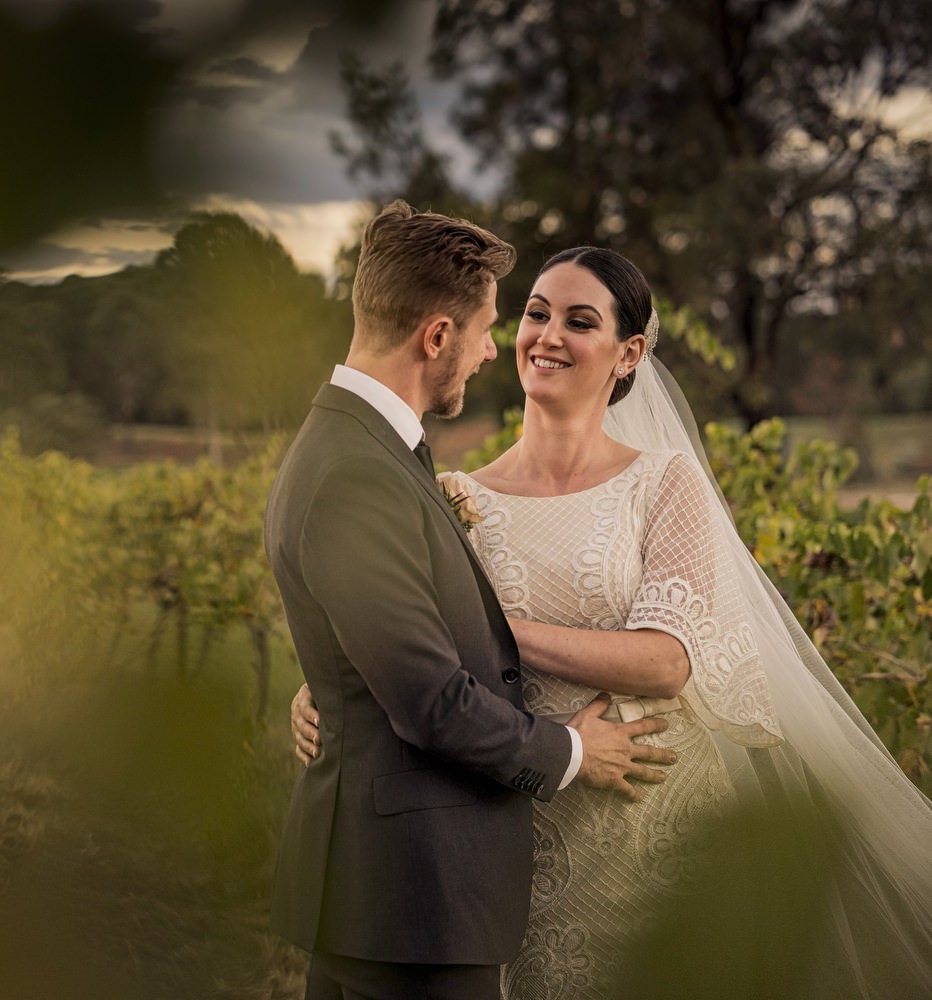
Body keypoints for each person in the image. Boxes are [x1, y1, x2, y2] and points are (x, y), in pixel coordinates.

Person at [291, 245, 932, 998]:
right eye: (534, 313)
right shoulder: (458, 495)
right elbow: (398, 638)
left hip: (648, 817)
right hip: (519, 819)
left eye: (579, 321)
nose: (546, 335)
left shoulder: (666, 483)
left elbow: (667, 660)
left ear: (628, 354)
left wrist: (481, 629)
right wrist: (338, 681)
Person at [264, 204, 675, 1000]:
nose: (497, 349)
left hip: (395, 897)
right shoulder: (359, 472)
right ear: (436, 336)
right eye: (491, 325)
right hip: (409, 898)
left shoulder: (367, 451)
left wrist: (335, 687)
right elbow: (429, 700)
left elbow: (384, 644)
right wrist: (576, 752)